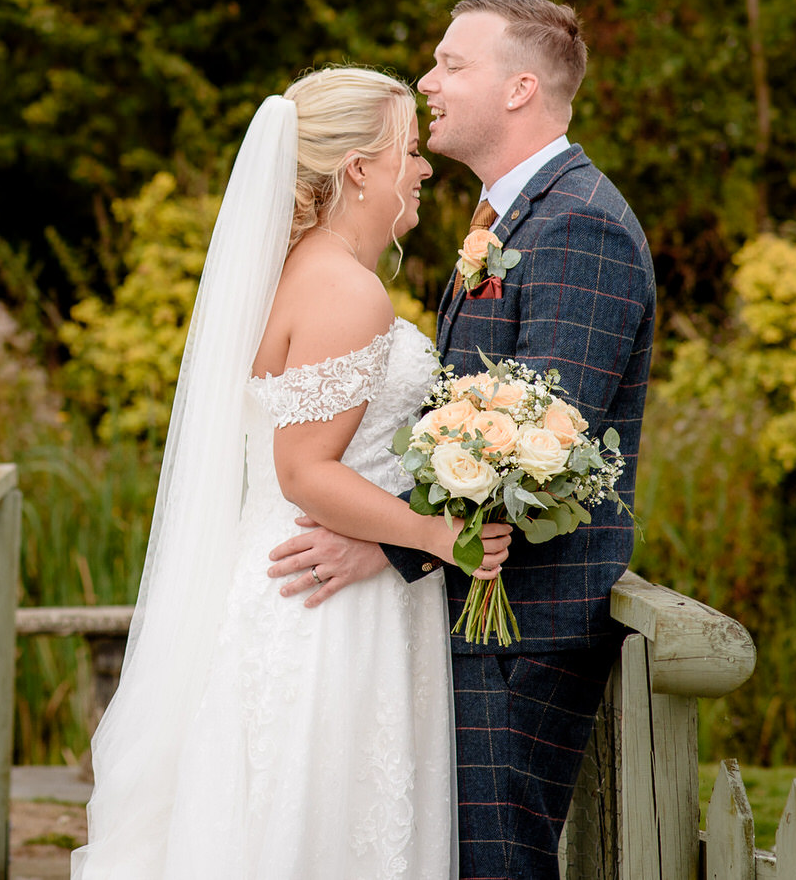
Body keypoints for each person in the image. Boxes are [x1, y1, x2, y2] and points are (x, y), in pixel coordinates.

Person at [73, 65, 510, 880]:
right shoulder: (349, 291)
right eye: (408, 151)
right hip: (328, 603)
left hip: (290, 576)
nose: (421, 169)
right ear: (358, 169)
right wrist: (436, 535)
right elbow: (304, 470)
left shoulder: (295, 271)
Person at [267, 0, 656, 880]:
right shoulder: (509, 219)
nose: (428, 81)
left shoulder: (577, 225)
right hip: (473, 605)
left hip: (520, 623)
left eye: (452, 64)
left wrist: (391, 544)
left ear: (521, 88)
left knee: (497, 865)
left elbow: (546, 441)